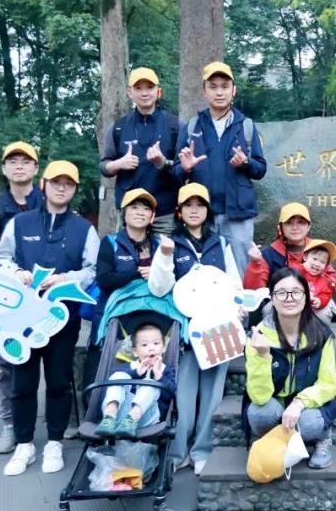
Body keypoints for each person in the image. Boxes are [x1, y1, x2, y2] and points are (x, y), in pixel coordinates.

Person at [0, 160, 99, 476]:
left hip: (62, 318)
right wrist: (16, 273)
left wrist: (66, 279)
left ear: (74, 189)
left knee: (59, 382)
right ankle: (24, 444)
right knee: (22, 381)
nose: (61, 188)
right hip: (22, 319)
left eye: (68, 184)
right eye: (56, 182)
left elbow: (92, 269)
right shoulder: (20, 223)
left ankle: (54, 442)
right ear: (44, 185)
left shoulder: (84, 228)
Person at [148, 182, 239, 475]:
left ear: (208, 210)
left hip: (218, 330)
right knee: (183, 394)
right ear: (179, 210)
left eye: (200, 205)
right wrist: (164, 256)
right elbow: (159, 288)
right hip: (185, 331)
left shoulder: (221, 243)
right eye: (188, 205)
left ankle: (202, 450)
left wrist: (238, 310)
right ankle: (177, 452)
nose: (194, 210)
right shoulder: (170, 243)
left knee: (213, 393)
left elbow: (233, 285)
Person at [0, 140, 45, 455]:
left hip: (46, 292)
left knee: (55, 359)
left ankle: (62, 420)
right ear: (4, 169)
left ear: (36, 168)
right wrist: (13, 274)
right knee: (6, 362)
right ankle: (10, 424)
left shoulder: (48, 200)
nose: (19, 166)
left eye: (26, 161)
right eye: (13, 161)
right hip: (7, 297)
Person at [172, 61, 266, 271]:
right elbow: (176, 173)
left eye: (225, 86)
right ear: (204, 92)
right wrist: (185, 167)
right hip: (202, 214)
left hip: (238, 213)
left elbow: (260, 169)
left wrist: (246, 163)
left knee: (240, 271)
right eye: (213, 87)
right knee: (206, 271)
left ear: (234, 90)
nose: (219, 92)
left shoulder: (245, 126)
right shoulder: (193, 126)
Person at [243, 267, 336, 470]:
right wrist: (263, 356)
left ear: (306, 296)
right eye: (281, 292)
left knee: (310, 423)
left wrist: (299, 403)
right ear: (272, 298)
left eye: (296, 292)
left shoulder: (322, 335)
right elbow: (259, 396)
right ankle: (271, 439)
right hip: (274, 404)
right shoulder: (258, 336)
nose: (289, 298)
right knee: (259, 413)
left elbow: (328, 384)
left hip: (307, 407)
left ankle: (322, 437)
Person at [86, 188, 161, 390]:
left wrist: (157, 273)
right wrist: (137, 273)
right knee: (103, 369)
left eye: (146, 208)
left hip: (149, 320)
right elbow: (104, 280)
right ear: (124, 212)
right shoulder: (110, 243)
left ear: (152, 216)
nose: (140, 212)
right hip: (113, 318)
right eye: (134, 207)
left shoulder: (160, 245)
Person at [99, 67, 180, 232]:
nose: (144, 93)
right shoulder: (118, 128)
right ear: (130, 93)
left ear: (158, 91)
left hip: (164, 214)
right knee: (127, 250)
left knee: (164, 250)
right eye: (138, 88)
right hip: (130, 212)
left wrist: (163, 162)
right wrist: (119, 164)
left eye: (149, 87)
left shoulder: (175, 125)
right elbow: (104, 166)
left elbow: (183, 169)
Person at [95, 324, 176, 438]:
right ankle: (109, 416)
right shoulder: (127, 367)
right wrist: (136, 373)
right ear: (135, 352)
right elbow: (113, 386)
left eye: (156, 343)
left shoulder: (166, 370)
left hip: (146, 418)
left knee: (150, 383)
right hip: (120, 414)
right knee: (119, 376)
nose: (151, 348)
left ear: (163, 348)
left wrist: (159, 377)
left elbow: (169, 397)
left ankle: (132, 419)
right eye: (144, 345)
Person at [301, 238, 336, 323]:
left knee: (322, 316)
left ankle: (318, 330)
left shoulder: (323, 280)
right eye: (314, 259)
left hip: (311, 308)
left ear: (326, 266)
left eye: (322, 262)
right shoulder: (296, 270)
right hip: (293, 305)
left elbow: (326, 295)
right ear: (305, 257)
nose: (317, 264)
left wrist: (319, 301)